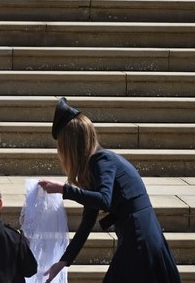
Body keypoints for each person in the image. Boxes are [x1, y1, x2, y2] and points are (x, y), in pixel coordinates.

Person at [38, 97, 181, 283]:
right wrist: (64, 261)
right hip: (137, 234)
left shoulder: (102, 161)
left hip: (140, 236)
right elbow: (87, 223)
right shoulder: (94, 167)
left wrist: (64, 190)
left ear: (71, 146)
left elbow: (104, 199)